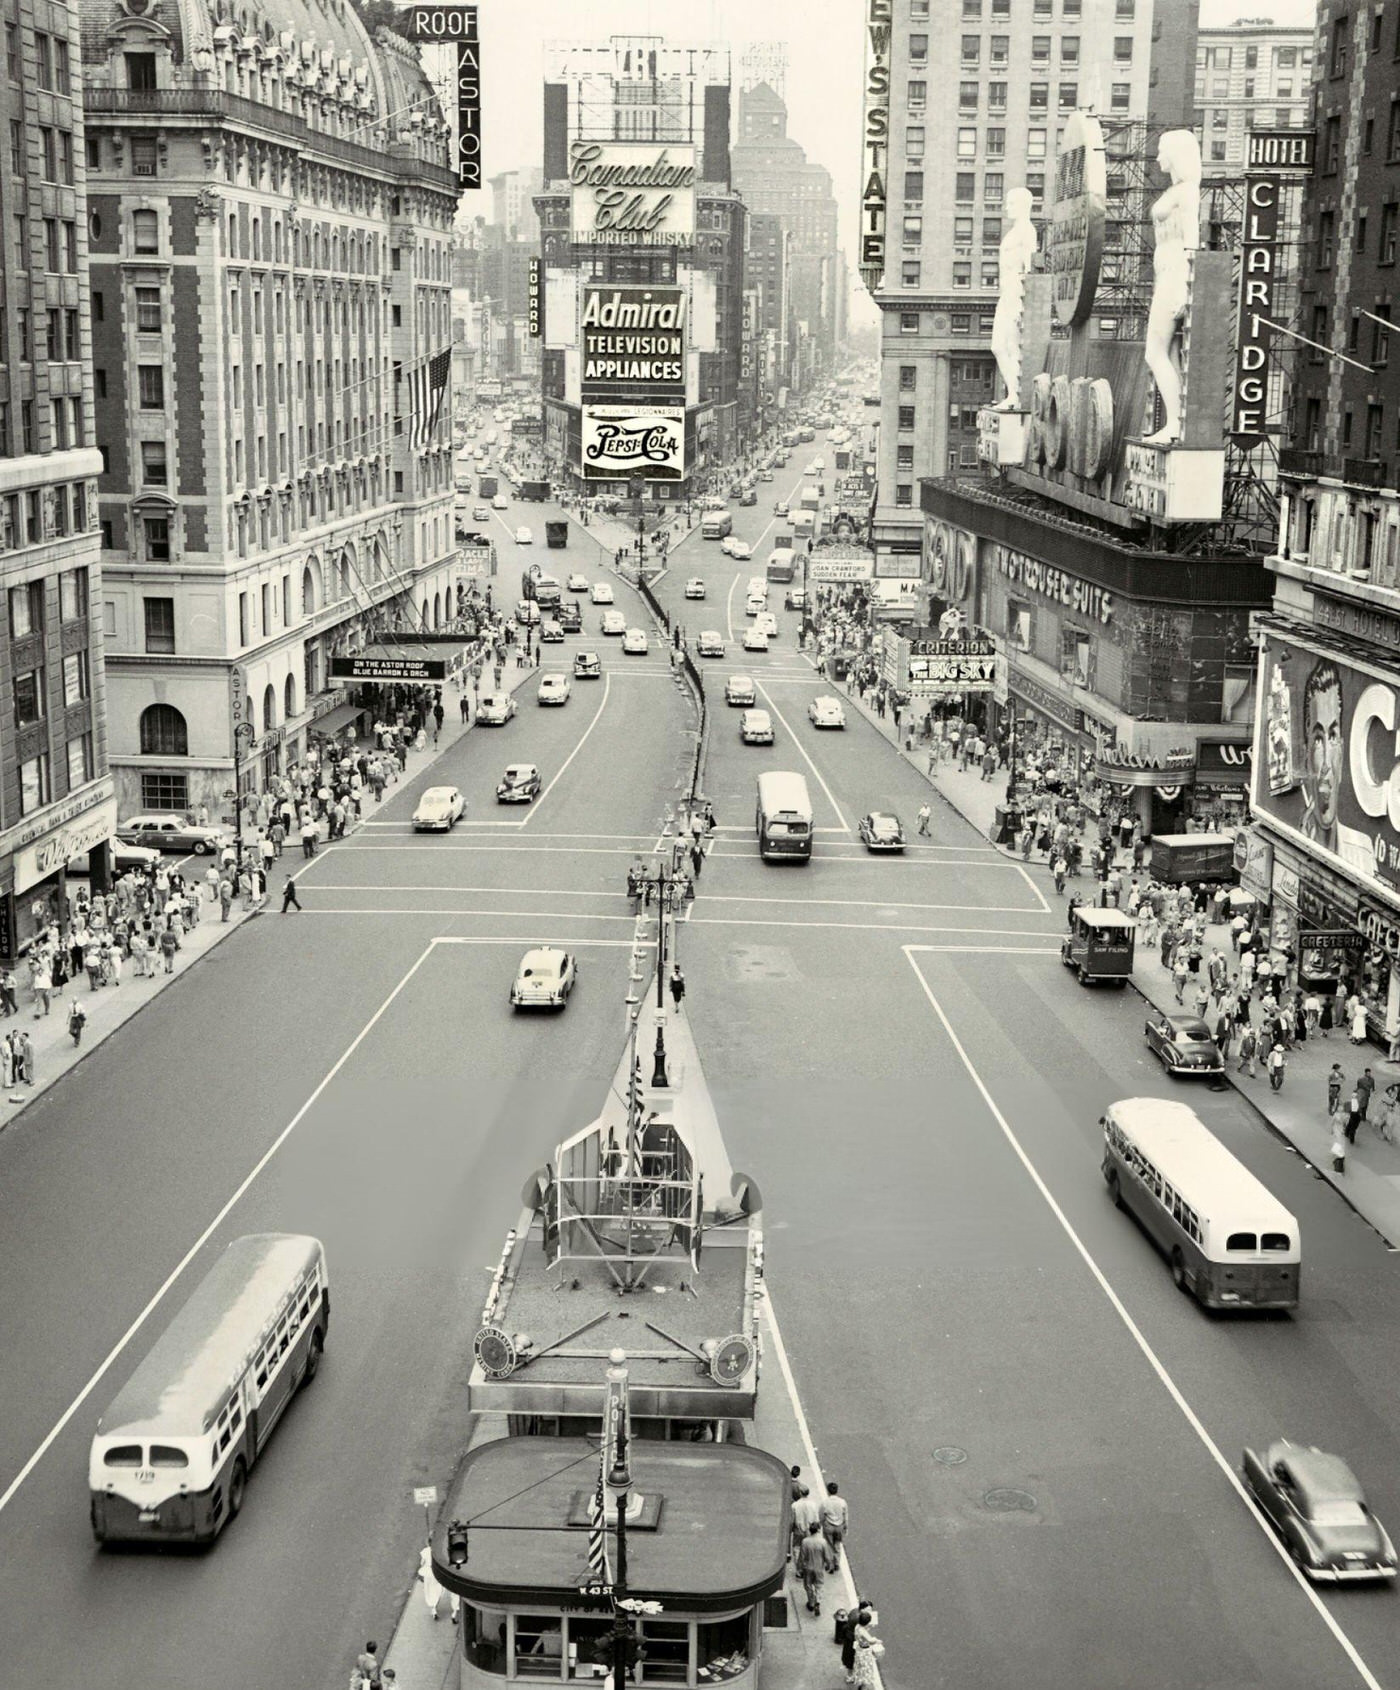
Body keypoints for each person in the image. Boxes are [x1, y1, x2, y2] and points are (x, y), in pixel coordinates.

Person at [797, 1519, 827, 1615]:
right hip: (819, 1568)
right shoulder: (823, 1542)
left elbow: (801, 1556)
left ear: (810, 1530)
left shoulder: (805, 1541)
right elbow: (826, 1556)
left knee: (808, 1585)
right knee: (819, 1585)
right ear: (818, 1530)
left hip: (808, 1567)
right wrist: (827, 1564)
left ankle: (811, 1603)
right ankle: (818, 1601)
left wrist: (799, 1568)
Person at [820, 1480, 848, 1572]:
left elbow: (822, 1516)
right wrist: (845, 1527)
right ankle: (836, 1563)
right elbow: (845, 1516)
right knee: (837, 1545)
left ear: (828, 1491)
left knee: (828, 1545)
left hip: (829, 1525)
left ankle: (830, 1564)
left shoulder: (825, 1503)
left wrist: (821, 1524)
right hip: (839, 1526)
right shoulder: (842, 1502)